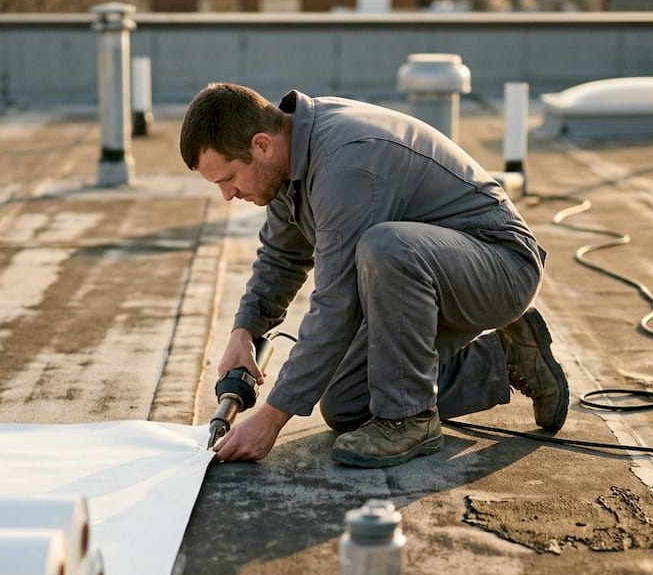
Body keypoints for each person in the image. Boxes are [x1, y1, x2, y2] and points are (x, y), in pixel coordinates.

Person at [180, 83, 569, 468]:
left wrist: (269, 419)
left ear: (260, 144)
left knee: (386, 247)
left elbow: (336, 304)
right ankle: (507, 357)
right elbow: (282, 258)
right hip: (426, 281)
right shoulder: (286, 162)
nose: (227, 195)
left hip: (500, 268)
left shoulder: (344, 162)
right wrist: (244, 332)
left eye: (227, 179)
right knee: (348, 404)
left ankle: (410, 420)